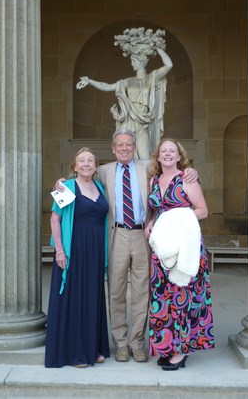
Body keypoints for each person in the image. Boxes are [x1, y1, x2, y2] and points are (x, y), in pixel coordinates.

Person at [54, 129, 199, 363]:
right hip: (116, 235)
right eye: (119, 145)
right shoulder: (103, 170)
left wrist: (192, 170)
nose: (124, 148)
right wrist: (60, 182)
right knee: (116, 291)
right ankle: (120, 343)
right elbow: (80, 176)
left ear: (134, 148)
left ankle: (137, 343)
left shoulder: (149, 168)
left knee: (142, 292)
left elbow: (174, 170)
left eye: (128, 145)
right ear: (113, 148)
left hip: (143, 234)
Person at [145, 139, 215, 371]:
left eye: (171, 151)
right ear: (157, 156)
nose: (167, 154)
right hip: (163, 249)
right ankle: (168, 347)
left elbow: (203, 211)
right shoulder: (154, 180)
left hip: (185, 246)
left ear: (178, 156)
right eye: (163, 151)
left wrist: (175, 222)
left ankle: (182, 351)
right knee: (163, 298)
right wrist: (152, 222)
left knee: (183, 297)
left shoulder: (186, 178)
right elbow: (158, 209)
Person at [45, 147, 110, 368]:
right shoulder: (68, 187)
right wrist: (60, 251)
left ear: (95, 166)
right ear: (75, 166)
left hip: (95, 251)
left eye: (90, 160)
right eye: (81, 160)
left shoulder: (99, 187)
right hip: (73, 250)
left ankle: (92, 348)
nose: (86, 164)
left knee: (91, 297)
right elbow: (55, 219)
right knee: (74, 298)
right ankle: (75, 353)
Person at [76, 44, 173, 160]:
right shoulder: (126, 82)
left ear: (141, 62)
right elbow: (106, 86)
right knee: (124, 154)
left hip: (143, 121)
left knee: (145, 157)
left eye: (134, 61)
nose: (131, 64)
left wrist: (157, 48)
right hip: (127, 119)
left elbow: (169, 65)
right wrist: (89, 81)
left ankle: (146, 178)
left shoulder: (151, 78)